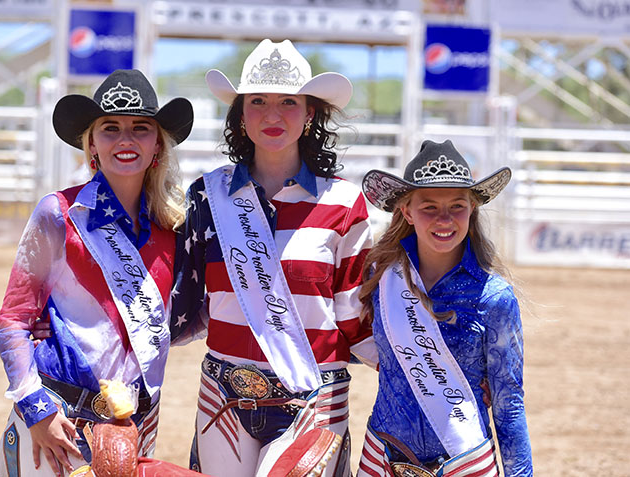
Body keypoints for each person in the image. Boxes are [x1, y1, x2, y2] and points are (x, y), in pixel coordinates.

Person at [170, 39, 377, 477]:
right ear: (240, 116)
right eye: (257, 101)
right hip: (223, 394)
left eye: (288, 102)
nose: (272, 114)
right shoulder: (208, 195)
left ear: (310, 114)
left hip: (314, 394)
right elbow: (184, 304)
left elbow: (355, 318)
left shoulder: (344, 202)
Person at [0, 69, 194, 477]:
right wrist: (36, 409)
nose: (125, 140)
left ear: (157, 146)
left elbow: (181, 322)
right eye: (110, 128)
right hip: (57, 417)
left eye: (140, 128)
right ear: (92, 145)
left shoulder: (175, 229)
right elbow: (12, 321)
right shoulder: (58, 213)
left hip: (136, 422)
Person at [355, 139, 533, 477]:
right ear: (406, 211)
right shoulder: (381, 280)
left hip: (465, 463)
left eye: (457, 206)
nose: (445, 219)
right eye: (429, 207)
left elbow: (509, 407)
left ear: (472, 209)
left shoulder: (494, 298)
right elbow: (358, 343)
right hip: (383, 460)